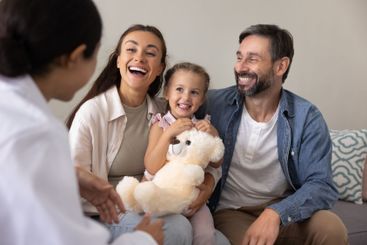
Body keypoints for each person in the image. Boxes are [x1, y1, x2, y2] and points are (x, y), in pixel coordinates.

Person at [0, 0, 163, 245]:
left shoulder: (17, 116)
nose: (139, 58)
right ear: (75, 57)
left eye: (150, 53)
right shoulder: (37, 133)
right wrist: (144, 240)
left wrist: (70, 174)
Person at [197, 24, 348, 245]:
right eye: (239, 57)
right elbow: (172, 108)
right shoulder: (213, 104)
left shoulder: (307, 117)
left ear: (280, 66)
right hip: (232, 212)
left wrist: (275, 213)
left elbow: (321, 184)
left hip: (283, 209)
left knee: (331, 228)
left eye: (252, 59)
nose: (240, 67)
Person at [67, 25, 197, 244]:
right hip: (105, 213)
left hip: (156, 203)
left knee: (217, 239)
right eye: (131, 50)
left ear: (160, 69)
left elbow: (200, 149)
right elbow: (73, 179)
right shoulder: (93, 112)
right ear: (118, 60)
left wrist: (209, 182)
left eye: (150, 53)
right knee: (176, 228)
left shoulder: (167, 111)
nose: (139, 58)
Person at [144, 62, 223, 245]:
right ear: (167, 93)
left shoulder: (203, 127)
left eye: (194, 92)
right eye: (179, 89)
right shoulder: (160, 124)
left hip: (193, 197)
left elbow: (217, 163)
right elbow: (151, 166)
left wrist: (214, 135)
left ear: (202, 99)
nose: (185, 97)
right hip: (163, 193)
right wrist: (169, 134)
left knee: (206, 235)